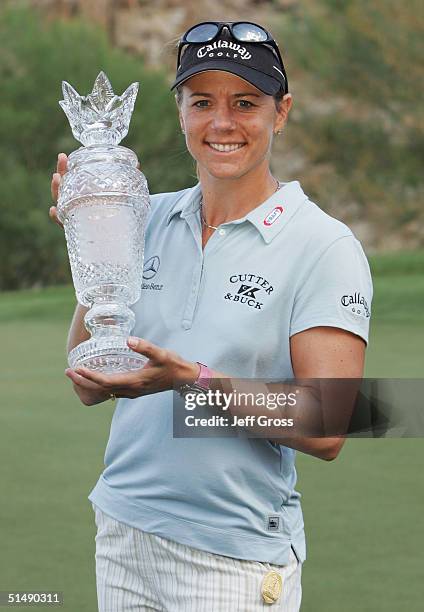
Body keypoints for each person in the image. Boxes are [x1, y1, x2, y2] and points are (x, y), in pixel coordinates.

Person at [50, 21, 373, 612]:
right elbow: (90, 388)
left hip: (232, 560)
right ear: (180, 113)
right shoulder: (144, 216)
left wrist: (193, 383)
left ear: (281, 113)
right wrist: (96, 234)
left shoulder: (323, 245)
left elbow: (329, 426)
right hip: (123, 533)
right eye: (203, 102)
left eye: (245, 103)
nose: (222, 123)